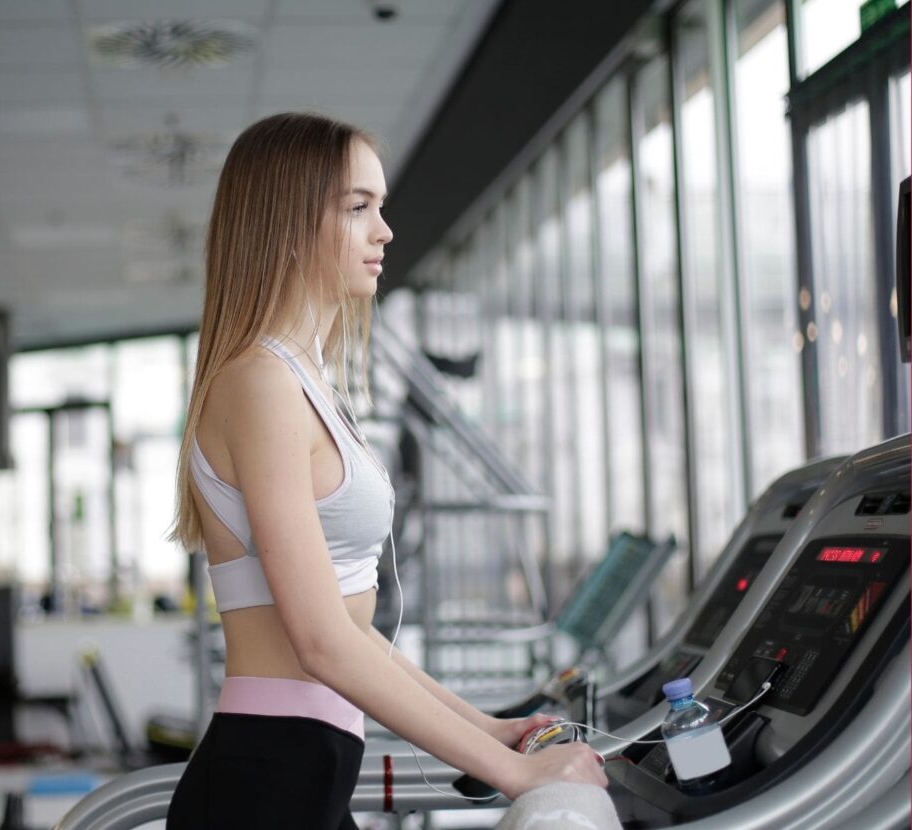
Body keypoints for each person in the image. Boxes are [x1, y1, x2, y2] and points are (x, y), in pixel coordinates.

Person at [166, 112, 608, 829]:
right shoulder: (260, 382)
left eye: (380, 206)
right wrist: (514, 773)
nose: (385, 231)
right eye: (358, 207)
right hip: (266, 780)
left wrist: (487, 731)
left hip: (306, 769)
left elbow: (350, 627)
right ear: (289, 223)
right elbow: (321, 642)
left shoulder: (301, 378)